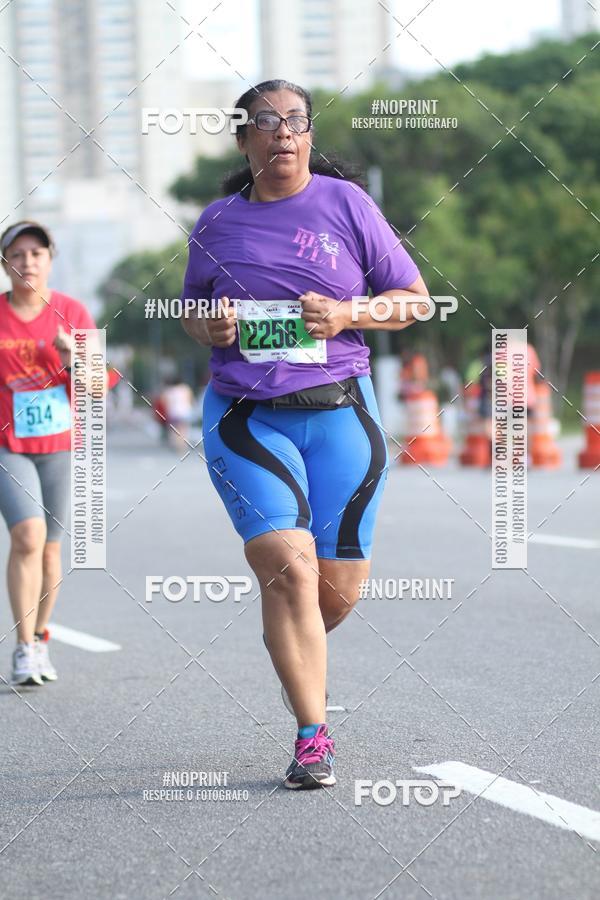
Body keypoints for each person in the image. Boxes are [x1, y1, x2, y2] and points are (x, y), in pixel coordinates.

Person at [181, 80, 430, 790]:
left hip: (341, 412)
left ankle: (290, 630)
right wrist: (210, 327)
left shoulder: (347, 204)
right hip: (247, 416)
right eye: (266, 121)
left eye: (295, 120)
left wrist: (349, 313)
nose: (283, 132)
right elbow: (191, 311)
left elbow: (414, 302)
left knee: (333, 594)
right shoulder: (217, 222)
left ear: (310, 135)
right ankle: (312, 735)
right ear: (244, 140)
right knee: (288, 569)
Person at [0, 221, 99, 685]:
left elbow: (98, 386)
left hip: (59, 444)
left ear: (50, 260)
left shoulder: (72, 312)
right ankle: (23, 648)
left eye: (36, 253)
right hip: (8, 444)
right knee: (28, 535)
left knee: (50, 551)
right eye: (17, 254)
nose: (28, 262)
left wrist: (71, 358)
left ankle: (39, 638)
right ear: (6, 264)